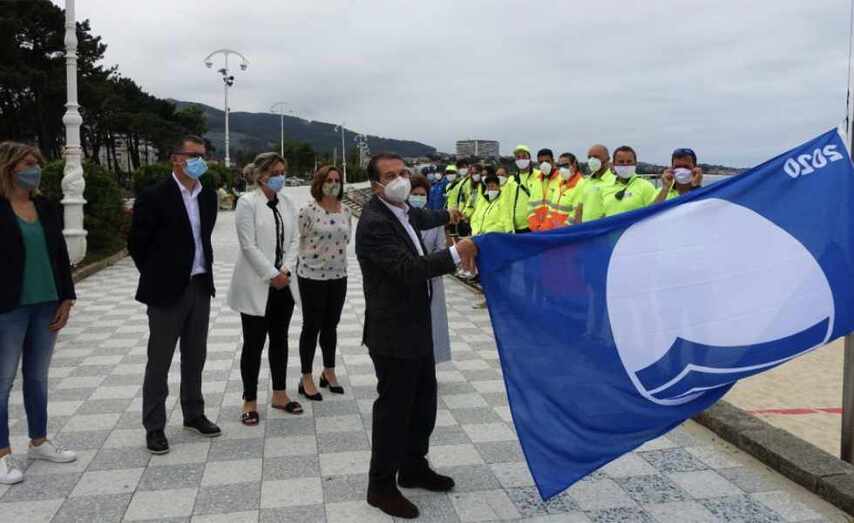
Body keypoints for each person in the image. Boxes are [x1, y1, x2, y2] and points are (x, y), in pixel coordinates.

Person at [356, 152, 476, 519]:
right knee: (394, 411)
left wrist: (449, 215)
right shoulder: (375, 222)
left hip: (418, 325)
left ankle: (413, 467)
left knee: (423, 404)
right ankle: (380, 486)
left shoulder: (404, 209)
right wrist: (457, 252)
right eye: (390, 175)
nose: (400, 179)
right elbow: (409, 270)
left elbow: (424, 216)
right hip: (393, 333)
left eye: (402, 172)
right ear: (376, 184)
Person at [129, 135, 221, 454]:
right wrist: (159, 275)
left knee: (196, 355)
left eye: (203, 155)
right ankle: (154, 426)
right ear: (175, 158)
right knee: (160, 360)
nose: (200, 160)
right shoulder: (154, 196)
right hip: (166, 291)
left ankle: (193, 413)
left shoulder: (207, 196)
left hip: (199, 285)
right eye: (193, 155)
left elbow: (203, 238)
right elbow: (137, 244)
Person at [0, 142, 77, 484]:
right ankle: (2, 454)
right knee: (2, 381)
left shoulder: (44, 206)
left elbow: (59, 254)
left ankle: (39, 441)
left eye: (37, 163)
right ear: (9, 167)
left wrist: (67, 298)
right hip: (8, 307)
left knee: (37, 378)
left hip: (47, 302)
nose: (35, 169)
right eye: (29, 163)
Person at [226, 152, 302, 425]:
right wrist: (271, 274)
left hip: (284, 283)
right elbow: (248, 245)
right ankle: (249, 400)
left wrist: (286, 270)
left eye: (283, 171)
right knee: (254, 344)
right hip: (257, 285)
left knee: (280, 340)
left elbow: (295, 240)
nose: (280, 177)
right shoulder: (247, 203)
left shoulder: (287, 203)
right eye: (275, 172)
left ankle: (280, 394)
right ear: (261, 175)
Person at [297, 166, 352, 401]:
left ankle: (328, 371)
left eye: (337, 180)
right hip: (311, 277)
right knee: (311, 326)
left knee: (331, 325)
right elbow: (296, 240)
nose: (333, 183)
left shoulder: (346, 210)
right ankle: (306, 377)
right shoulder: (308, 211)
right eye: (329, 179)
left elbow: (347, 239)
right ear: (319, 183)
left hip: (338, 276)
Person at [408, 173, 451, 363]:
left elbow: (441, 248)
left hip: (431, 277)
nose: (418, 198)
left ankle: (429, 362)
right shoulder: (402, 219)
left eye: (422, 194)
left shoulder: (434, 220)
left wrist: (429, 264)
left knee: (432, 322)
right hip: (408, 276)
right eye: (414, 194)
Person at [596, 145, 658, 217]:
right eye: (621, 162)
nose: (625, 165)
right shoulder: (604, 187)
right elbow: (600, 216)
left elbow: (654, 213)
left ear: (635, 164)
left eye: (629, 161)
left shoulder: (646, 186)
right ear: (613, 165)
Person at [575, 144, 617, 224]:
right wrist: (579, 230)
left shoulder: (614, 181)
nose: (592, 160)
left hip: (602, 232)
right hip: (585, 232)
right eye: (589, 157)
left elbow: (612, 211)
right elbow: (579, 209)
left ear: (607, 159)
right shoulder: (586, 181)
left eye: (596, 157)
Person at [543, 153, 586, 229]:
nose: (562, 169)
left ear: (574, 165)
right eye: (560, 166)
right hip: (552, 233)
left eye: (565, 165)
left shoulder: (581, 184)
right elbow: (551, 210)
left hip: (566, 234)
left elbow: (575, 215)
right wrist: (545, 229)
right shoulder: (560, 183)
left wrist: (562, 233)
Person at [504, 145, 538, 233]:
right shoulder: (511, 180)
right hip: (515, 229)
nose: (521, 160)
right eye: (518, 157)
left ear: (530, 159)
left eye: (524, 157)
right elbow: (506, 204)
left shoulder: (539, 176)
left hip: (534, 227)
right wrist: (509, 227)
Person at [527, 148, 563, 231]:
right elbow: (530, 207)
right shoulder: (536, 181)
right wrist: (535, 226)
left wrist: (546, 227)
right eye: (541, 162)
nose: (544, 164)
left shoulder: (561, 180)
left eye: (547, 161)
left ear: (553, 161)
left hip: (554, 230)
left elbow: (561, 209)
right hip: (536, 230)